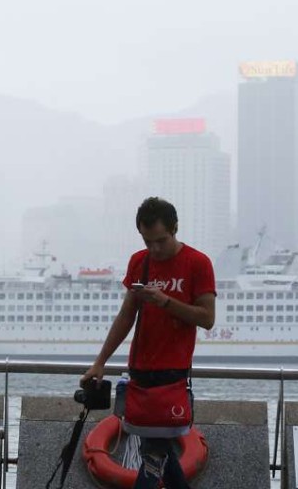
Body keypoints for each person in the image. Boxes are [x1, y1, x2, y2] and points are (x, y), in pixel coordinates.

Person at [81, 197, 216, 489]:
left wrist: (165, 301)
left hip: (173, 374)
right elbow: (126, 316)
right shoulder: (139, 262)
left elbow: (207, 318)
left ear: (175, 229)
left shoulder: (197, 263)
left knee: (154, 455)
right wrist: (100, 362)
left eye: (161, 241)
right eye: (147, 241)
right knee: (158, 454)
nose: (154, 249)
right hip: (139, 373)